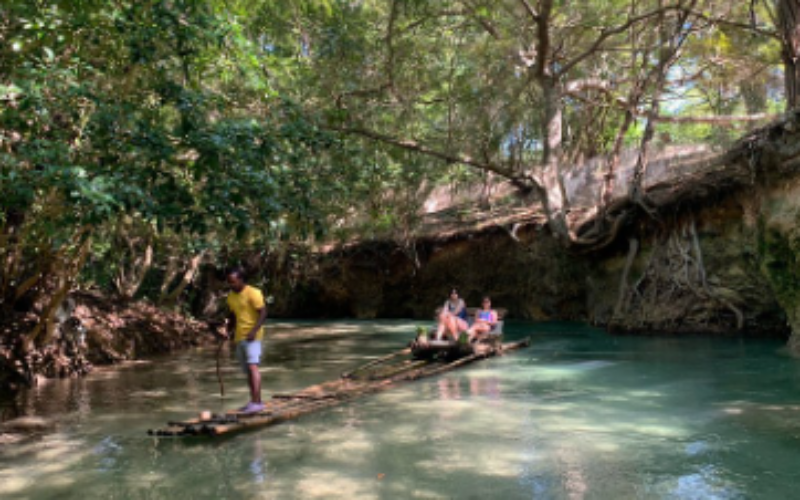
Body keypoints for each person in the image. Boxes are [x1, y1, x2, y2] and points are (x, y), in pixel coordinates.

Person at [224, 268, 268, 413]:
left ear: (241, 280)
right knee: (248, 371)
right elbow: (232, 315)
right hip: (239, 336)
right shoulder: (231, 296)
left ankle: (257, 403)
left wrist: (254, 331)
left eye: (233, 282)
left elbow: (263, 312)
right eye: (229, 282)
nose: (231, 285)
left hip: (253, 337)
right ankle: (254, 401)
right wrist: (228, 330)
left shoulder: (253, 293)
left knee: (252, 367)